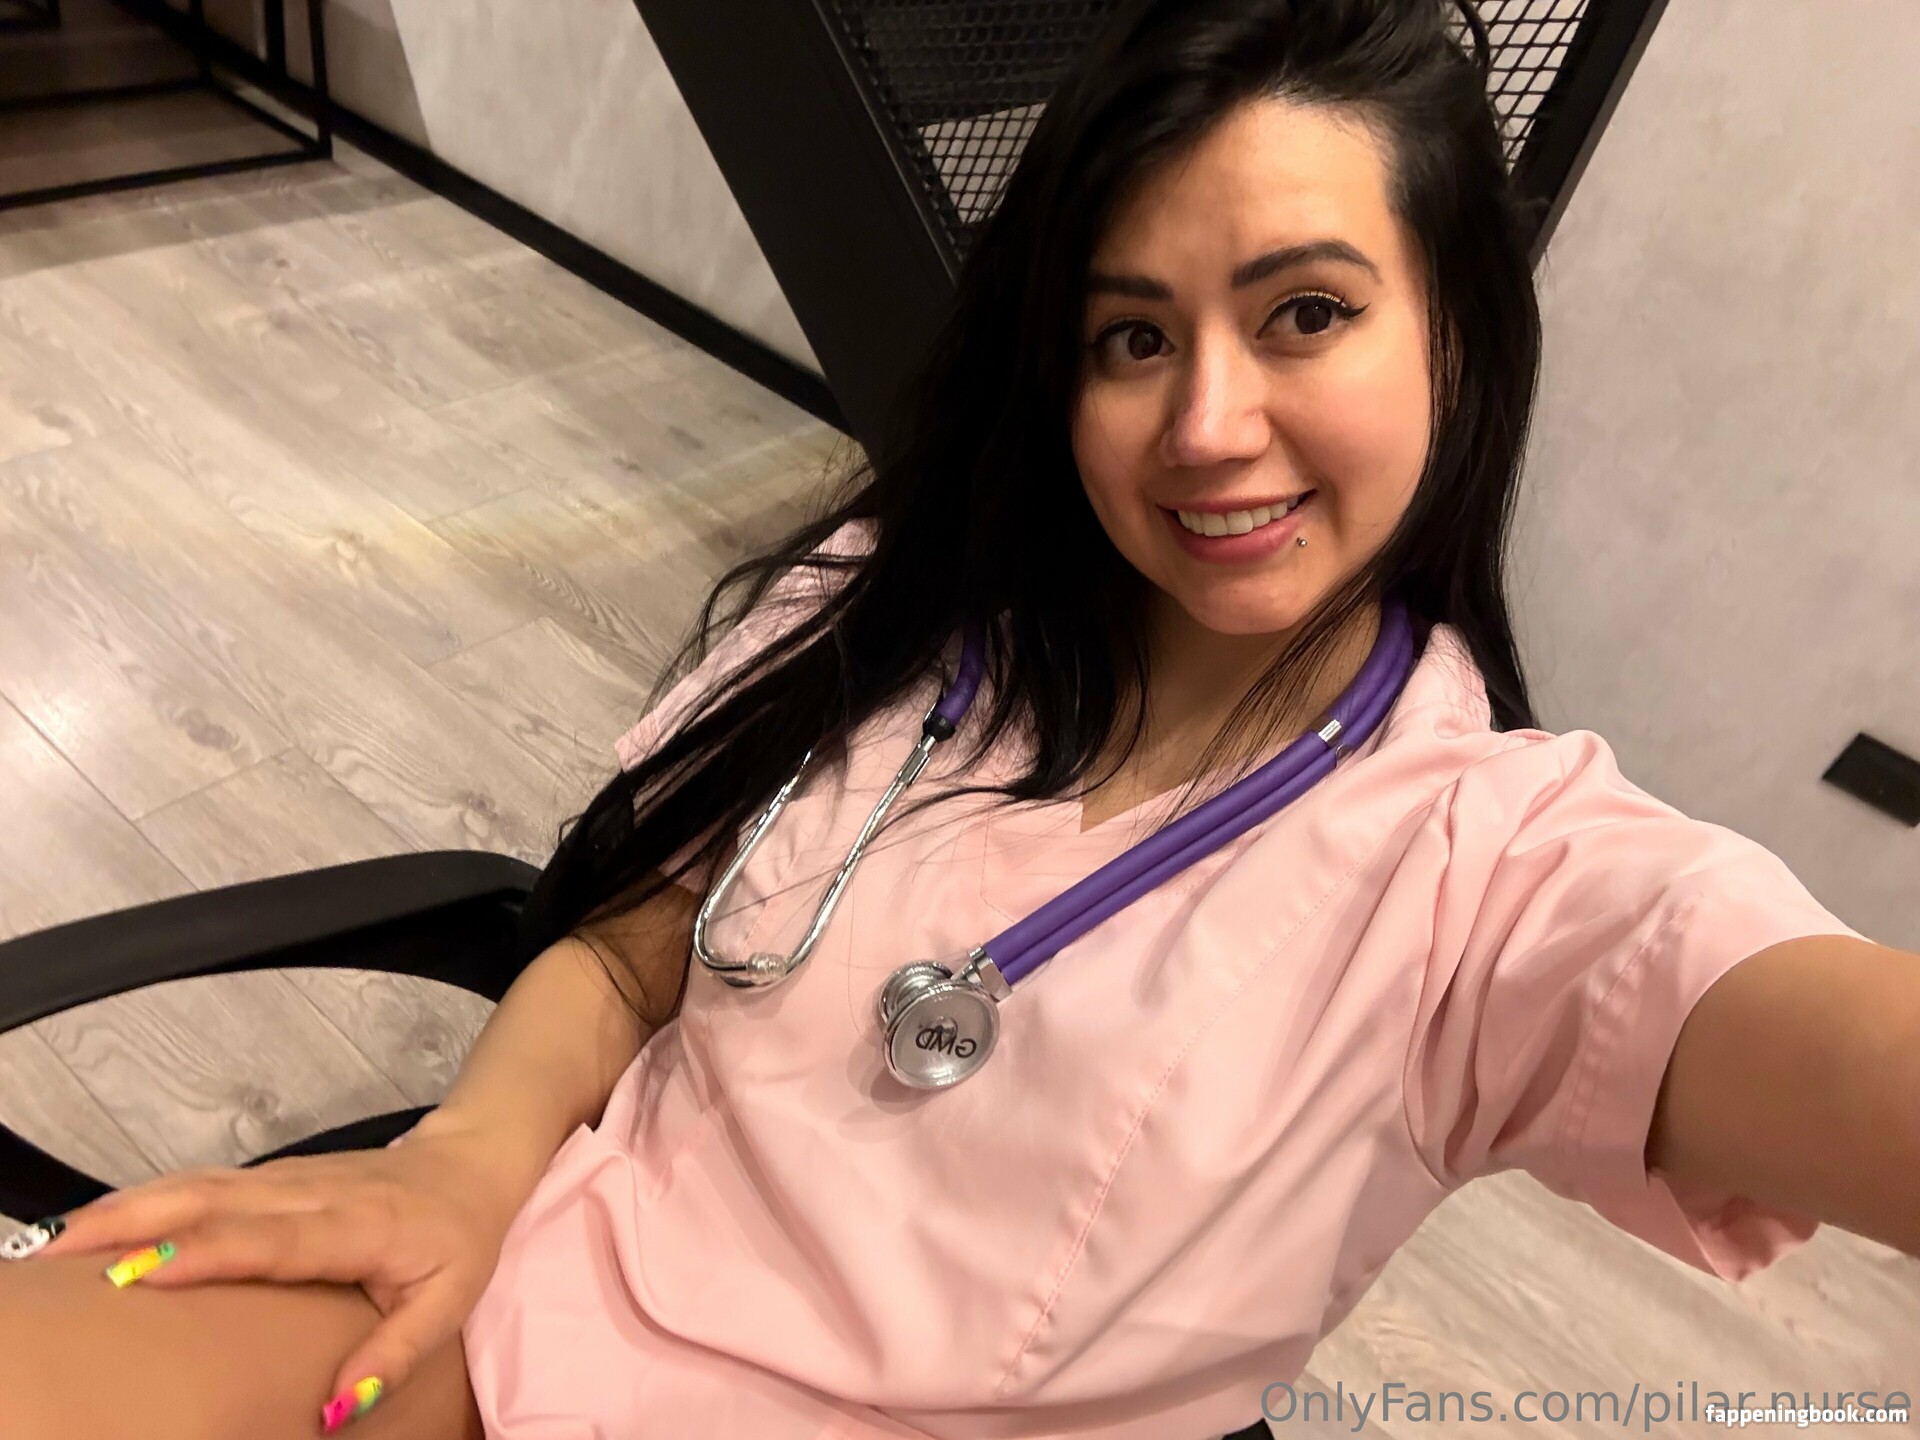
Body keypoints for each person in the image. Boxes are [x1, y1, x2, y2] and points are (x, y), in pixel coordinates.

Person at [1, 1, 1912, 1436]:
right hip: (537, 1284)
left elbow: (1801, 1034)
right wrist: (469, 1155)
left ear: (1461, 338)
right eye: (1132, 336)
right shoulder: (911, 597)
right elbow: (649, 931)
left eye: (1306, 313)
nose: (1207, 424)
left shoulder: (1503, 871)